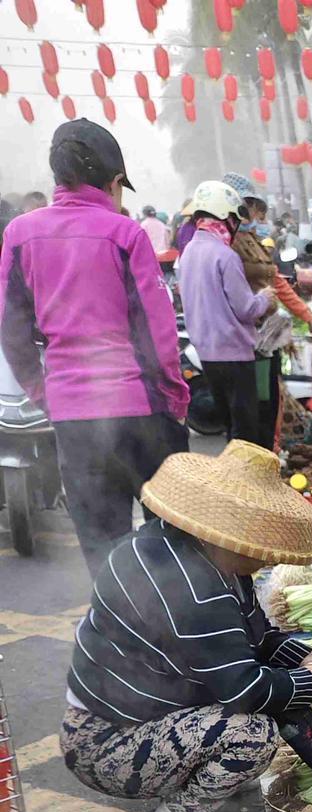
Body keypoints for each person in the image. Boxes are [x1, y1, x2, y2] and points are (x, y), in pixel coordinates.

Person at [61, 439, 312, 812]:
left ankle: (195, 772)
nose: (265, 556)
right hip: (102, 743)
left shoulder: (185, 548)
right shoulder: (193, 590)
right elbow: (248, 691)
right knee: (255, 734)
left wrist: (311, 656)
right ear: (229, 530)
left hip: (132, 716)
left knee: (256, 709)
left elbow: (256, 638)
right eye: (258, 543)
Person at [0, 120, 188, 575]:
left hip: (73, 418)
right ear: (114, 180)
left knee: (104, 548)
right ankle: (172, 633)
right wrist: (177, 397)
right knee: (173, 540)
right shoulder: (125, 233)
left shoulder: (20, 235)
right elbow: (158, 331)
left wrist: (43, 393)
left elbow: (11, 328)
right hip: (141, 412)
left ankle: (119, 638)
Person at [222, 174, 312, 447]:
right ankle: (252, 464)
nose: (255, 212)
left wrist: (307, 315)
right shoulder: (226, 243)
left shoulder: (252, 239)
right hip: (245, 337)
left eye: (255, 206)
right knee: (252, 408)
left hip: (268, 335)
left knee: (268, 403)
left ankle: (268, 455)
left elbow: (276, 281)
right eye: (250, 206)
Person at [178, 179, 274, 447]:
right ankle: (246, 487)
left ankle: (233, 484)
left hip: (207, 355)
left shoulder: (188, 254)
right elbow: (246, 309)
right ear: (225, 216)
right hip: (235, 355)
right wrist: (264, 298)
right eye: (235, 218)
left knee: (231, 430)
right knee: (245, 435)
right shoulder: (224, 255)